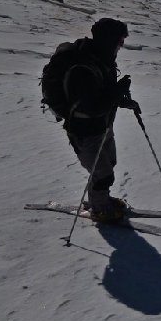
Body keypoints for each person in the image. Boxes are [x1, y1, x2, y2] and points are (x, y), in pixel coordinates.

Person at [43, 18, 140, 222]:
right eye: (120, 41)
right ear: (108, 40)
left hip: (103, 126)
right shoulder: (82, 69)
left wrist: (124, 100)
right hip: (84, 131)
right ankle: (100, 208)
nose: (121, 45)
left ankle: (100, 199)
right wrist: (117, 92)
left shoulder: (102, 60)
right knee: (102, 173)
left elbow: (103, 94)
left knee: (108, 164)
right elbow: (91, 108)